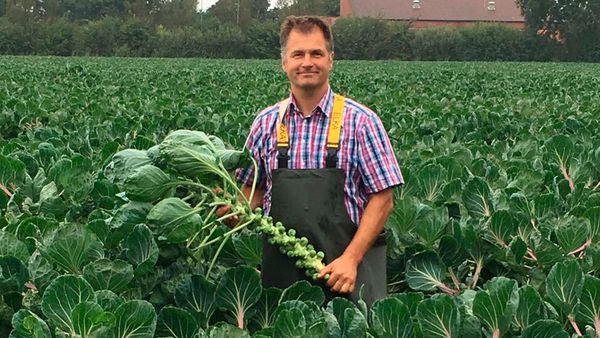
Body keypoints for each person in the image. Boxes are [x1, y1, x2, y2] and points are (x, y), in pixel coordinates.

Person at [232, 15, 403, 307]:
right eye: (298, 54)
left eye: (316, 53)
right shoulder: (266, 123)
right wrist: (231, 211)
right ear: (284, 62)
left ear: (331, 60)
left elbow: (383, 199)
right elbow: (253, 193)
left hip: (349, 275)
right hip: (284, 278)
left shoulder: (361, 122)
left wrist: (350, 259)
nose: (307, 62)